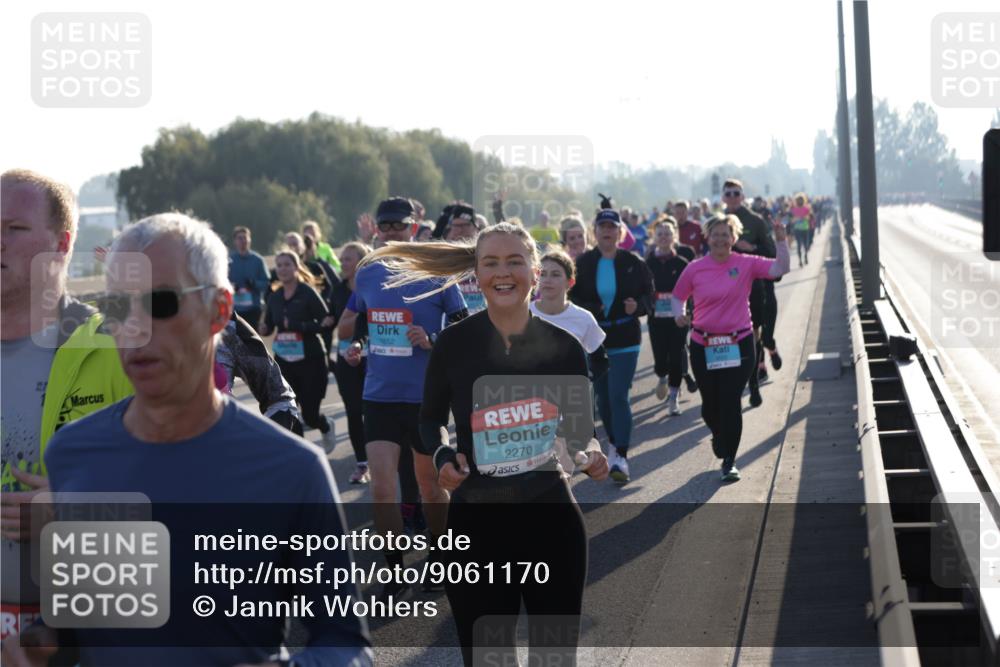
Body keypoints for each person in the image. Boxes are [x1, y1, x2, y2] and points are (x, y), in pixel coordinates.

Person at [6, 212, 372, 666]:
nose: (134, 329)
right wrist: (40, 647)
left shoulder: (291, 469)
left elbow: (345, 645)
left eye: (160, 304)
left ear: (219, 310)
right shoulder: (74, 454)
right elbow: (86, 624)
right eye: (118, 306)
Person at [355, 222, 608, 666]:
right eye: (490, 262)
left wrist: (588, 453)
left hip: (551, 522)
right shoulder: (454, 343)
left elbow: (577, 428)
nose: (502, 272)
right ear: (476, 274)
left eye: (514, 262)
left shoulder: (564, 347)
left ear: (533, 271)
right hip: (476, 529)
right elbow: (430, 418)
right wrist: (442, 455)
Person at [0, 169, 133, 642]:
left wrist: (75, 511)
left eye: (13, 229)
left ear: (63, 243)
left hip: (87, 631)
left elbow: (192, 496)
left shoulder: (124, 349)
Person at [341, 196, 468, 600]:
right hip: (378, 395)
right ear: (377, 229)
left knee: (431, 490)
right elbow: (357, 323)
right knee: (382, 489)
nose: (392, 231)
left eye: (399, 224)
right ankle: (392, 570)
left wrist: (432, 340)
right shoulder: (368, 272)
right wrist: (358, 344)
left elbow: (464, 327)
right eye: (386, 225)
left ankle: (440, 556)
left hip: (423, 398)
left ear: (414, 226)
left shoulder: (435, 270)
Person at [671, 213, 790, 481]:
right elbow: (678, 296)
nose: (721, 239)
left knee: (730, 401)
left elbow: (779, 268)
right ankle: (718, 435)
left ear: (734, 238)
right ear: (708, 238)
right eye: (716, 234)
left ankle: (729, 460)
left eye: (726, 235)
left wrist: (781, 241)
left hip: (740, 343)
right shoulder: (695, 268)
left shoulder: (745, 263)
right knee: (710, 406)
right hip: (704, 343)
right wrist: (679, 314)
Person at [569, 203, 654, 484]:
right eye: (602, 227)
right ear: (595, 232)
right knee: (602, 400)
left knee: (619, 394)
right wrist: (591, 307)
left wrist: (637, 306)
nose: (607, 232)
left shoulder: (633, 263)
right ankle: (614, 442)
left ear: (620, 232)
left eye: (612, 227)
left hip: (626, 337)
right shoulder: (583, 264)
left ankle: (620, 454)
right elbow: (572, 299)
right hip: (595, 339)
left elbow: (650, 298)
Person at [261, 250, 337, 451]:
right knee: (290, 411)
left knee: (310, 415)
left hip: (312, 359)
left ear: (296, 268)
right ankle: (302, 454)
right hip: (285, 362)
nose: (283, 269)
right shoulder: (274, 297)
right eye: (279, 265)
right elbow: (268, 325)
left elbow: (326, 322)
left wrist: (298, 325)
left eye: (287, 264)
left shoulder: (307, 293)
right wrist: (264, 328)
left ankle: (325, 424)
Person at [723, 179, 781, 405]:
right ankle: (754, 376)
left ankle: (766, 358)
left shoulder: (755, 221)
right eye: (728, 193)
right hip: (730, 291)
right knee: (744, 338)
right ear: (723, 197)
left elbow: (772, 252)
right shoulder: (718, 222)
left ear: (742, 195)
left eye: (736, 193)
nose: (732, 196)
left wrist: (753, 249)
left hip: (759, 288)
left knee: (759, 335)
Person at [330, 242, 373, 484]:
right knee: (354, 412)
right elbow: (341, 329)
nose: (342, 263)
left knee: (373, 411)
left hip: (375, 357)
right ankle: (362, 464)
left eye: (348, 259)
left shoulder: (376, 288)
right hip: (346, 358)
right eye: (342, 258)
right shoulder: (338, 290)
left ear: (361, 262)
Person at [645, 219, 695, 415]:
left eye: (668, 233)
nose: (664, 237)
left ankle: (673, 397)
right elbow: (642, 290)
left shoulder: (682, 264)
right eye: (660, 234)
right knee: (660, 359)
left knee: (676, 355)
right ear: (654, 238)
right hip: (656, 318)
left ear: (674, 237)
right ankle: (662, 377)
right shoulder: (647, 264)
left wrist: (689, 311)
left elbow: (692, 290)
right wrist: (646, 305)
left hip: (678, 318)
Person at [227, 226, 270, 332]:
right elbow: (221, 283)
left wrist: (254, 284)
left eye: (245, 238)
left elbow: (266, 282)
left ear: (249, 240)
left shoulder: (258, 260)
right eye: (240, 238)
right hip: (234, 310)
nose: (243, 241)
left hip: (253, 309)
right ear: (235, 241)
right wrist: (231, 287)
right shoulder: (228, 261)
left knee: (253, 342)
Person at [790, 193, 812, 267]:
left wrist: (805, 217)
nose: (800, 201)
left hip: (805, 228)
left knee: (806, 245)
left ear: (803, 200)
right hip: (797, 229)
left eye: (801, 200)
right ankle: (800, 260)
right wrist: (796, 219)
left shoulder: (806, 208)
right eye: (798, 200)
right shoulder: (793, 210)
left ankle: (805, 255)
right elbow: (792, 220)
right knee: (799, 245)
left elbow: (810, 218)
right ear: (796, 201)